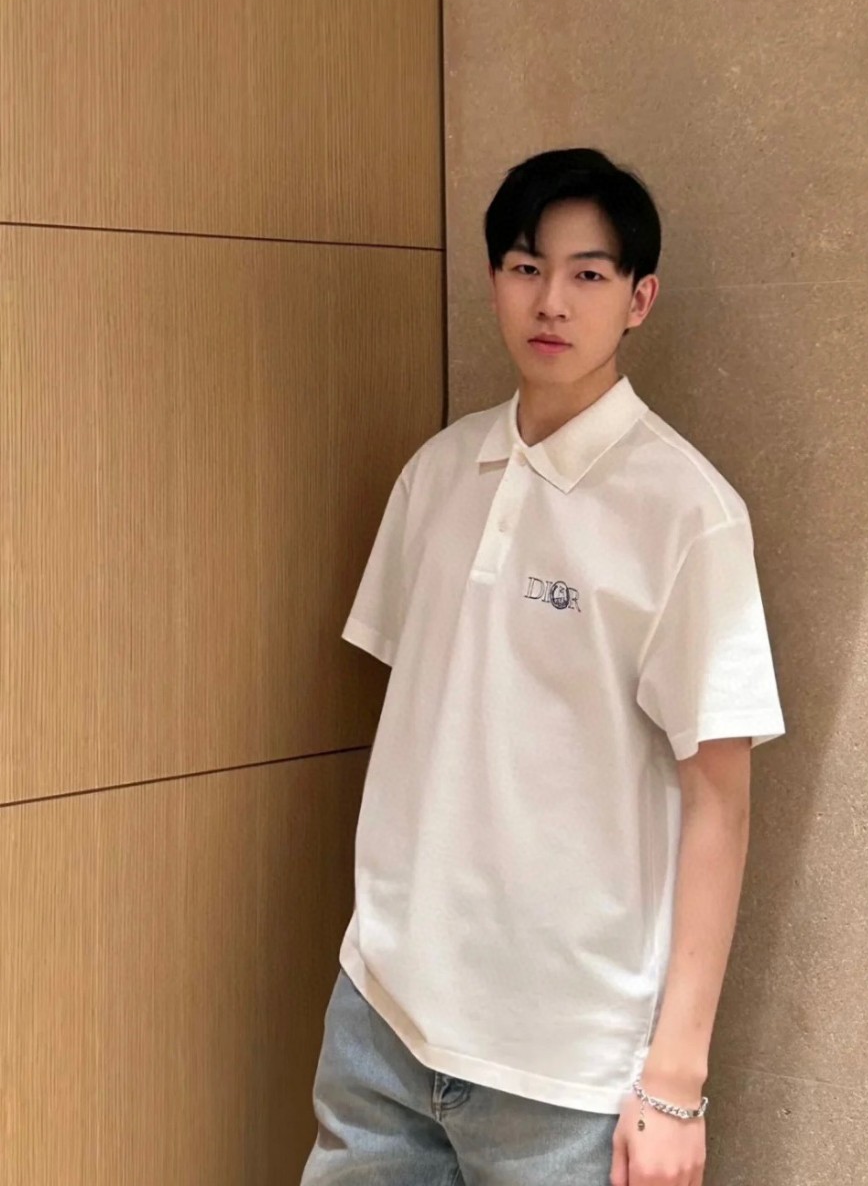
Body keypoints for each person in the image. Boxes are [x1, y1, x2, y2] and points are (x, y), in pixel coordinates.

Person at [299, 147, 785, 1186]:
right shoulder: (438, 472)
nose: (551, 301)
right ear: (494, 281)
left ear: (639, 299)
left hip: (564, 1071)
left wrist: (675, 1082)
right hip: (382, 1019)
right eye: (525, 267)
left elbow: (722, 803)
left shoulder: (688, 514)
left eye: (588, 274)